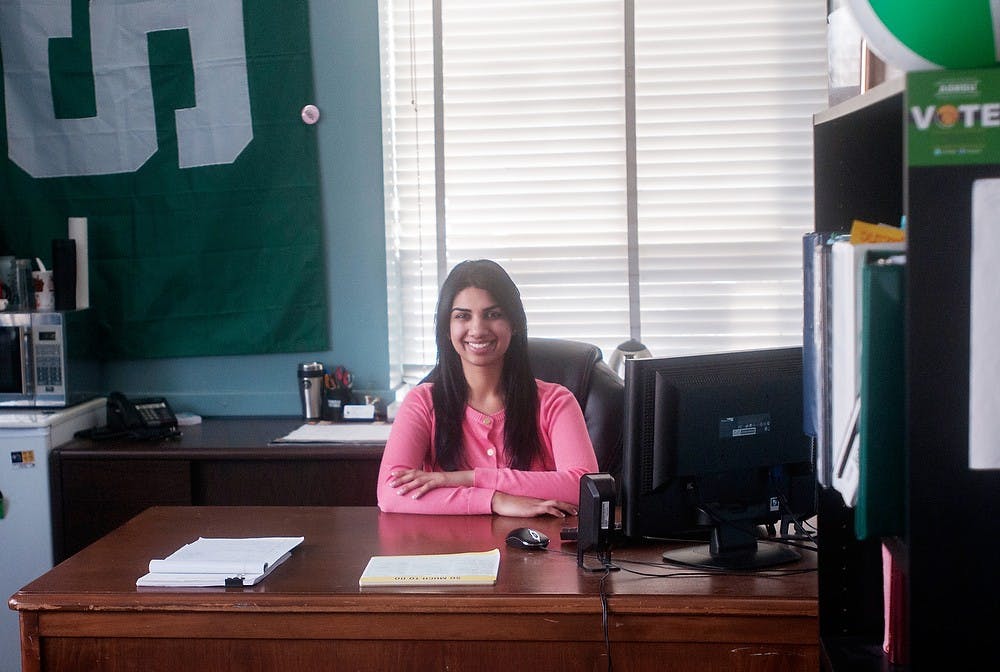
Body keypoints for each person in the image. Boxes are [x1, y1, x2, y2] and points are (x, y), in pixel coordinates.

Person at [377, 259, 598, 517]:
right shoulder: (422, 402)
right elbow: (390, 494)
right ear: (447, 329)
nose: (478, 329)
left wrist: (466, 478)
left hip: (541, 553)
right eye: (462, 316)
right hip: (449, 552)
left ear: (514, 324)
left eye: (493, 314)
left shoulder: (556, 402)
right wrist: (495, 500)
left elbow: (585, 487)